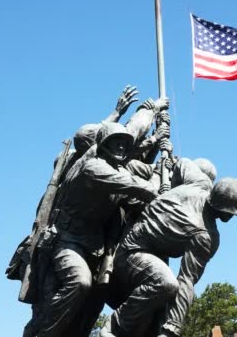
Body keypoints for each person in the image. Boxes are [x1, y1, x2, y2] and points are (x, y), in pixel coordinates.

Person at [35, 122, 161, 337]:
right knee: (80, 282)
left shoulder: (117, 170)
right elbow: (140, 188)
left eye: (124, 143)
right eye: (115, 142)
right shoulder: (94, 167)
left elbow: (134, 200)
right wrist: (159, 173)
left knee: (94, 303)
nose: (121, 147)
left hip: (95, 247)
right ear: (103, 145)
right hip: (67, 240)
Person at [101, 158, 237, 337]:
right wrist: (171, 331)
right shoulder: (205, 236)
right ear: (223, 208)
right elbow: (186, 282)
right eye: (231, 212)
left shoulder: (199, 182)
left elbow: (181, 162)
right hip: (132, 250)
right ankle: (113, 327)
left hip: (151, 252)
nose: (231, 217)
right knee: (165, 284)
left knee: (162, 308)